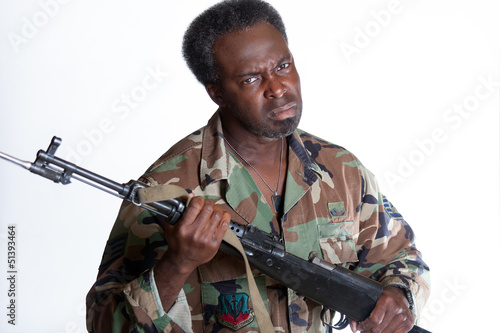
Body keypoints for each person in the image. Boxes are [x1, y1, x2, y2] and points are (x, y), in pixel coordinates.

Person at [86, 1, 430, 332]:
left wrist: (400, 296)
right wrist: (177, 265)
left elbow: (400, 258)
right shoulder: (168, 188)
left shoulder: (341, 169)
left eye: (283, 66)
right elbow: (105, 323)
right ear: (216, 92)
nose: (278, 88)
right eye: (251, 79)